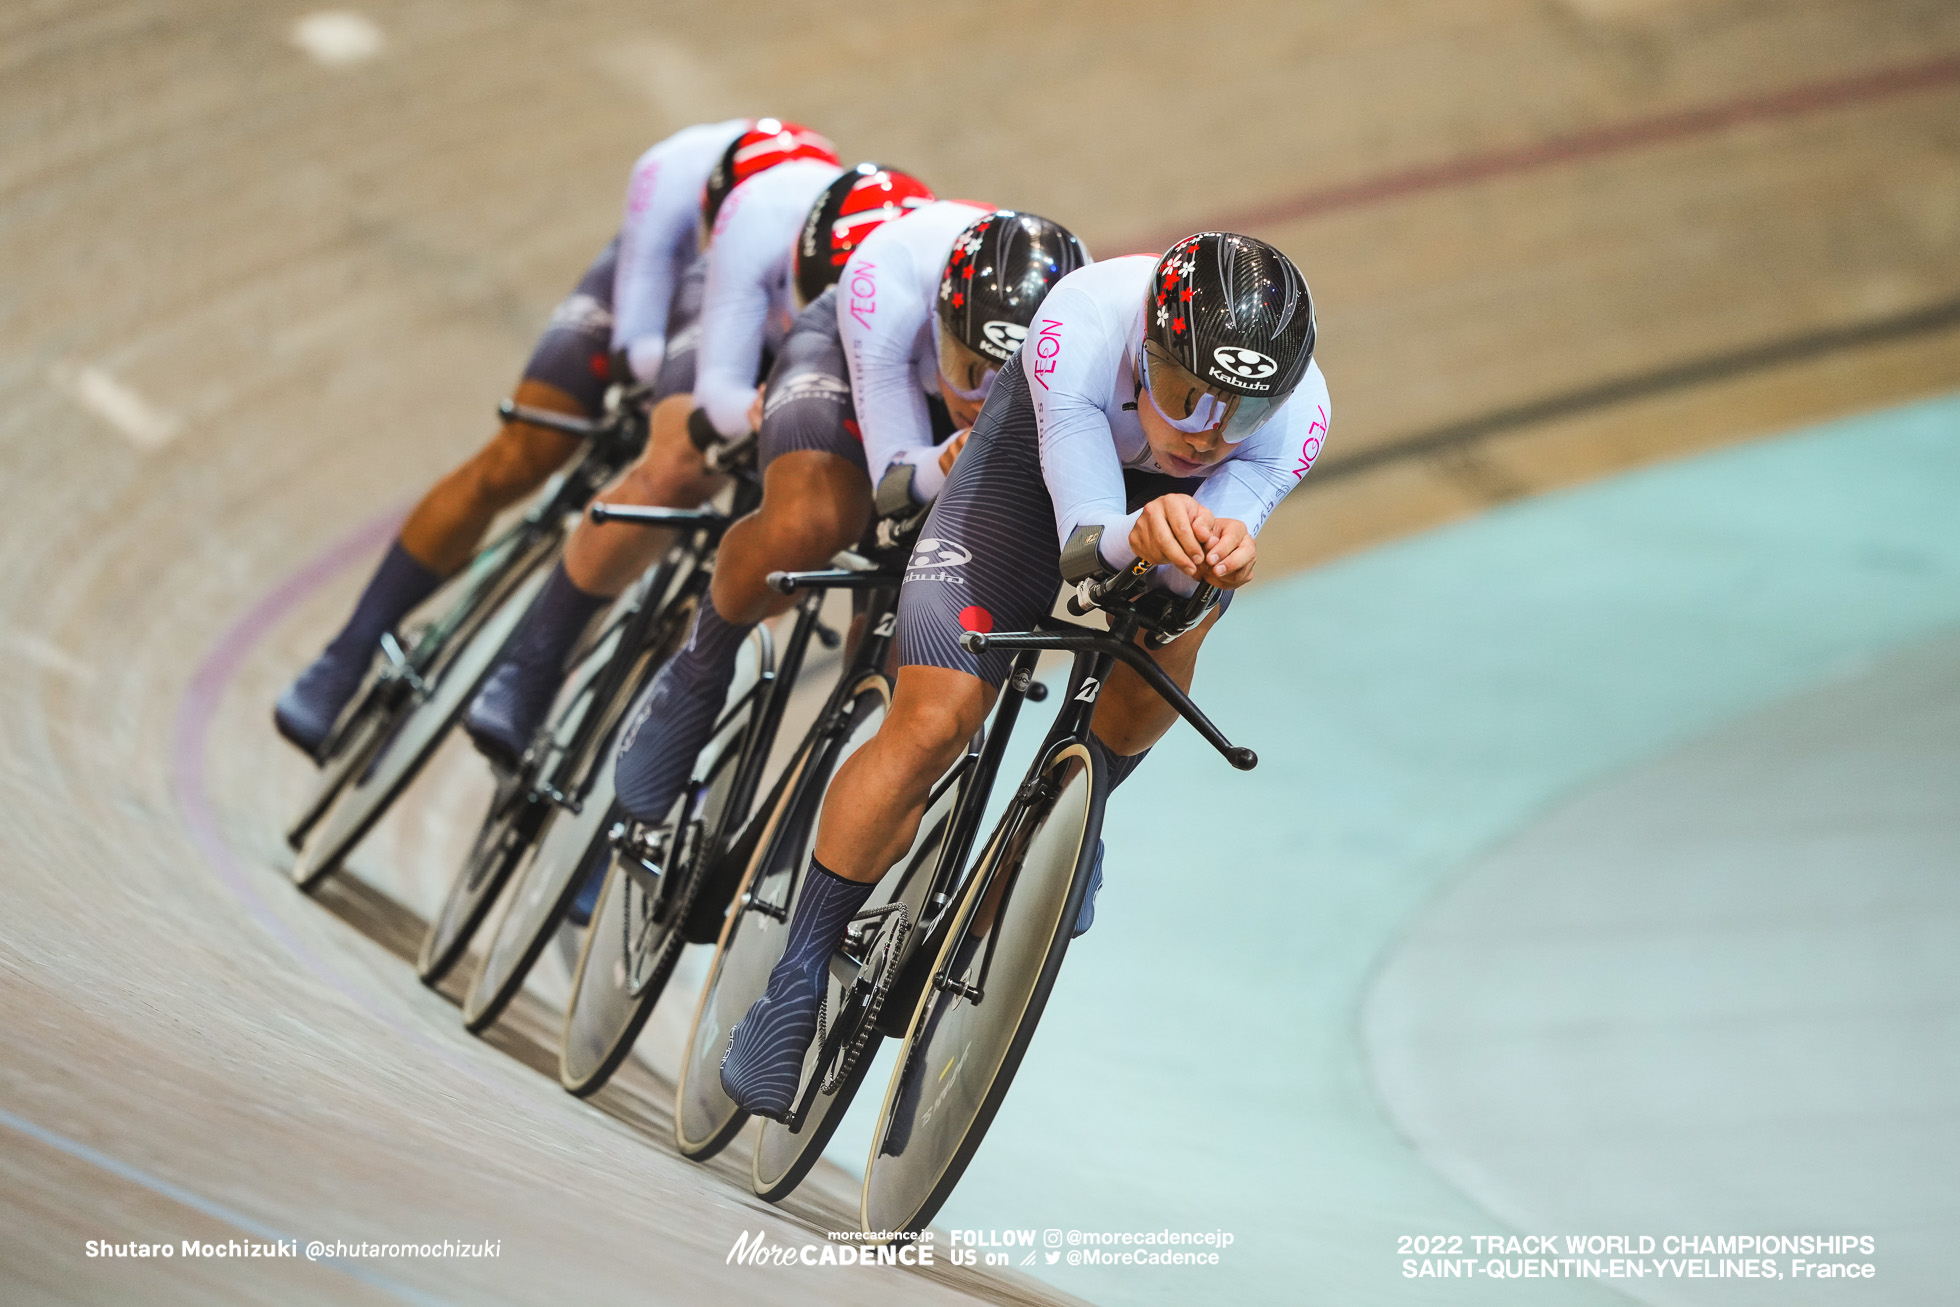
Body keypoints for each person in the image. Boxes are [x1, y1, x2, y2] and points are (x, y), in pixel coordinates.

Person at [718, 231, 1331, 1117]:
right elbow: (1085, 540)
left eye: (1240, 414)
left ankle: (1083, 805)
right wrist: (1143, 525)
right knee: (931, 722)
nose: (1204, 435)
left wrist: (1209, 553)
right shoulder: (1081, 321)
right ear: (1143, 352)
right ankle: (796, 977)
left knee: (1182, 610)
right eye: (1181, 394)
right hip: (1025, 480)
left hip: (1150, 525)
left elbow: (1178, 564)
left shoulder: (1303, 414)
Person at [269, 118, 805, 756]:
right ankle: (346, 654)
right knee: (526, 455)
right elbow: (639, 347)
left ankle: (622, 748)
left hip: (767, 329)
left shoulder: (807, 251)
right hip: (654, 295)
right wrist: (669, 398)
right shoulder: (673, 174)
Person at [607, 204, 1089, 843]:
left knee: (932, 660)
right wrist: (944, 461)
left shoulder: (1081, 347)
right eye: (969, 368)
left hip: (1017, 414)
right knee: (814, 521)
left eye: (998, 375)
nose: (978, 395)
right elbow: (893, 477)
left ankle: (817, 820)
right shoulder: (886, 287)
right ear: (939, 326)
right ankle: (701, 665)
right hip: (855, 359)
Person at [455, 126, 857, 763]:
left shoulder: (879, 301)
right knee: (678, 466)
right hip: (735, 320)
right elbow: (672, 368)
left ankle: (652, 752)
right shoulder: (746, 220)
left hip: (829, 357)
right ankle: (527, 671)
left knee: (782, 560)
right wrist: (729, 414)